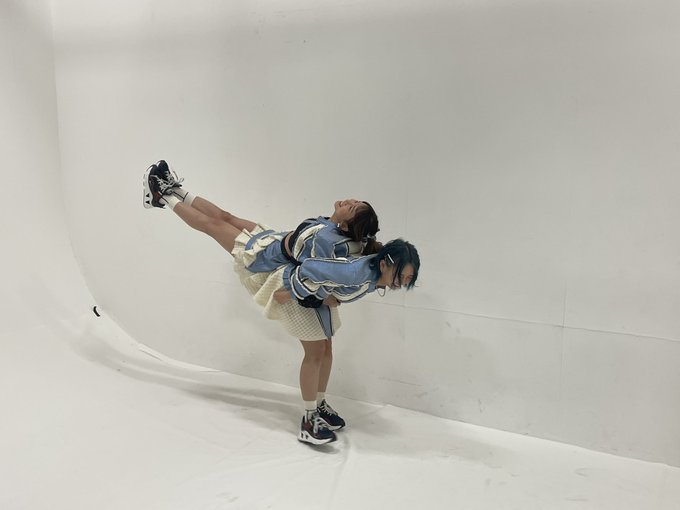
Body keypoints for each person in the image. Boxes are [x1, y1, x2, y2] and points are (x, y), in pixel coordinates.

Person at [142, 161, 420, 445]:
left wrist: (314, 293)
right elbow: (313, 270)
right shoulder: (347, 252)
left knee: (218, 224)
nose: (348, 201)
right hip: (266, 254)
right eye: (354, 203)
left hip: (271, 253)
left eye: (352, 207)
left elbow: (317, 270)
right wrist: (297, 292)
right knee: (219, 221)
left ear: (346, 226)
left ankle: (315, 409)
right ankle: (167, 192)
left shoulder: (352, 254)